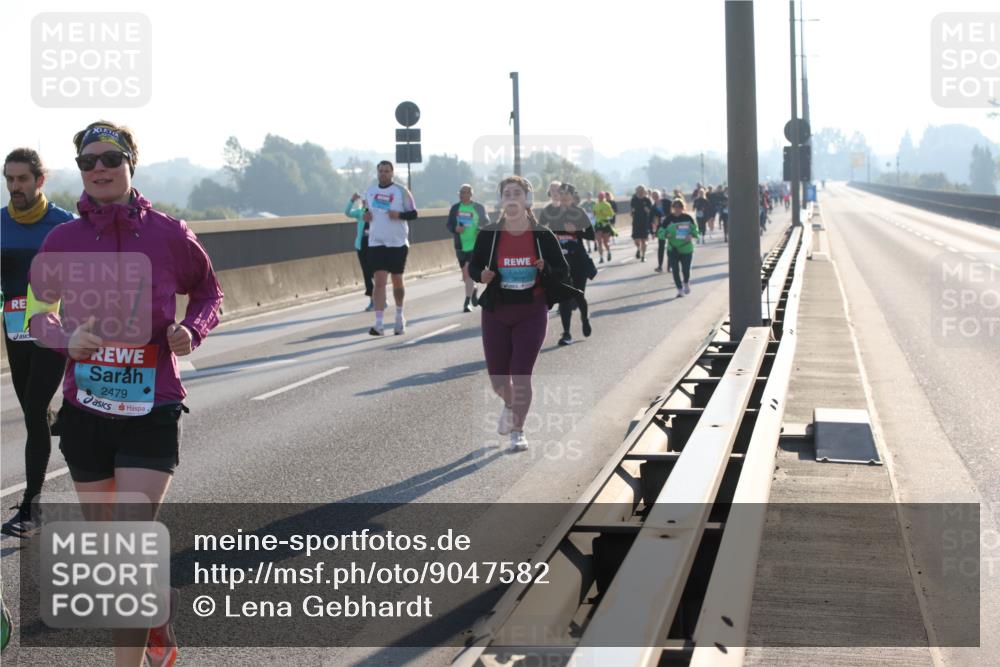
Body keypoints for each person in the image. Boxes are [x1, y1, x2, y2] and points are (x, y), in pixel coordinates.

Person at [26, 120, 224, 667]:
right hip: (86, 409)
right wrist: (66, 338)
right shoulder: (61, 239)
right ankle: (157, 614)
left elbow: (209, 289)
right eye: (88, 162)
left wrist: (194, 328)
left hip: (152, 403)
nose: (99, 170)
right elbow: (29, 315)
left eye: (110, 158)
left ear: (130, 162)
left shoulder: (169, 233)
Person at [468, 176, 572, 451]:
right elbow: (474, 266)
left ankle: (518, 430)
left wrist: (544, 268)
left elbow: (563, 271)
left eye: (517, 193)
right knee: (498, 379)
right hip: (496, 312)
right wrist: (482, 274)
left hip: (531, 310)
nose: (511, 198)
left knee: (521, 374)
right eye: (507, 193)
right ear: (502, 200)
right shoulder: (489, 234)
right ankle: (509, 404)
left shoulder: (542, 236)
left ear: (527, 200)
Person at [1, 148, 74, 538]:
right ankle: (67, 417)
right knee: (36, 410)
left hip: (53, 332)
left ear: (39, 181)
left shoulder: (62, 224)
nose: (15, 187)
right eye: (9, 180)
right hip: (16, 331)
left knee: (32, 409)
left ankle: (32, 507)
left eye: (22, 179)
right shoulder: (0, 223)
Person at [363, 161, 418, 335]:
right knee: (379, 283)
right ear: (377, 173)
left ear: (392, 173)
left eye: (386, 171)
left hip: (397, 243)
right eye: (380, 171)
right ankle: (379, 324)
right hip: (376, 242)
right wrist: (366, 217)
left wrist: (399, 215)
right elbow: (366, 212)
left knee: (397, 281)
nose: (383, 174)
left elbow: (414, 213)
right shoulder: (370, 192)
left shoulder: (401, 191)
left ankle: (399, 316)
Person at [539, 182, 595, 346]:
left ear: (572, 196)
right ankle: (566, 333)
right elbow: (540, 231)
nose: (563, 196)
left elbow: (591, 235)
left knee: (578, 295)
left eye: (566, 194)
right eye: (561, 193)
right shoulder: (550, 212)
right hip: (560, 262)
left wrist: (575, 232)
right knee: (564, 298)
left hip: (578, 260)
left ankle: (585, 319)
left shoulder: (579, 213)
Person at [446, 184, 490, 312]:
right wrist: (455, 229)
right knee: (466, 276)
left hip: (475, 245)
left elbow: (486, 222)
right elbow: (449, 224)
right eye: (460, 192)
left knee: (467, 271)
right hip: (460, 246)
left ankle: (466, 302)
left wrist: (480, 229)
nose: (462, 194)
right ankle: (474, 289)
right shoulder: (455, 208)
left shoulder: (478, 207)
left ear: (471, 194)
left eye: (465, 192)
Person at [664, 198, 699, 298]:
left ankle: (686, 282)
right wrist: (666, 235)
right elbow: (660, 232)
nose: (677, 209)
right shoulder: (668, 219)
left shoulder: (688, 218)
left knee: (686, 270)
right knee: (675, 270)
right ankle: (679, 290)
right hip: (673, 249)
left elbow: (696, 232)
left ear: (683, 208)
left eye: (679, 207)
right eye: (675, 207)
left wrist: (691, 236)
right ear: (672, 208)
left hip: (686, 249)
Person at [345, 192, 374, 311]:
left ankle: (380, 298)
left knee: (375, 273)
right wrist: (352, 200)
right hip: (362, 246)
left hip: (374, 245)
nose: (364, 201)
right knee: (367, 273)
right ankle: (373, 300)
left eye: (367, 199)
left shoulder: (376, 212)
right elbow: (347, 213)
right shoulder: (360, 212)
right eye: (363, 199)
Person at [630, 185, 653, 261]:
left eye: (641, 191)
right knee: (636, 240)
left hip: (645, 222)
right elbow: (632, 210)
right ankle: (638, 249)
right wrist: (632, 213)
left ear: (644, 191)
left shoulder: (647, 200)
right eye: (638, 191)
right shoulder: (634, 200)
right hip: (636, 222)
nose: (639, 192)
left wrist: (647, 210)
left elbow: (651, 212)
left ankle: (643, 256)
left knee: (644, 240)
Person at [593, 191, 615, 263]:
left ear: (604, 197)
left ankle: (608, 252)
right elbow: (594, 215)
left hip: (605, 224)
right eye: (599, 196)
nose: (600, 198)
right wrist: (594, 214)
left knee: (605, 242)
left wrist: (604, 213)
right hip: (598, 224)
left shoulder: (607, 205)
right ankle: (601, 257)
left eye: (602, 197)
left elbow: (611, 215)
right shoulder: (596, 205)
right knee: (599, 242)